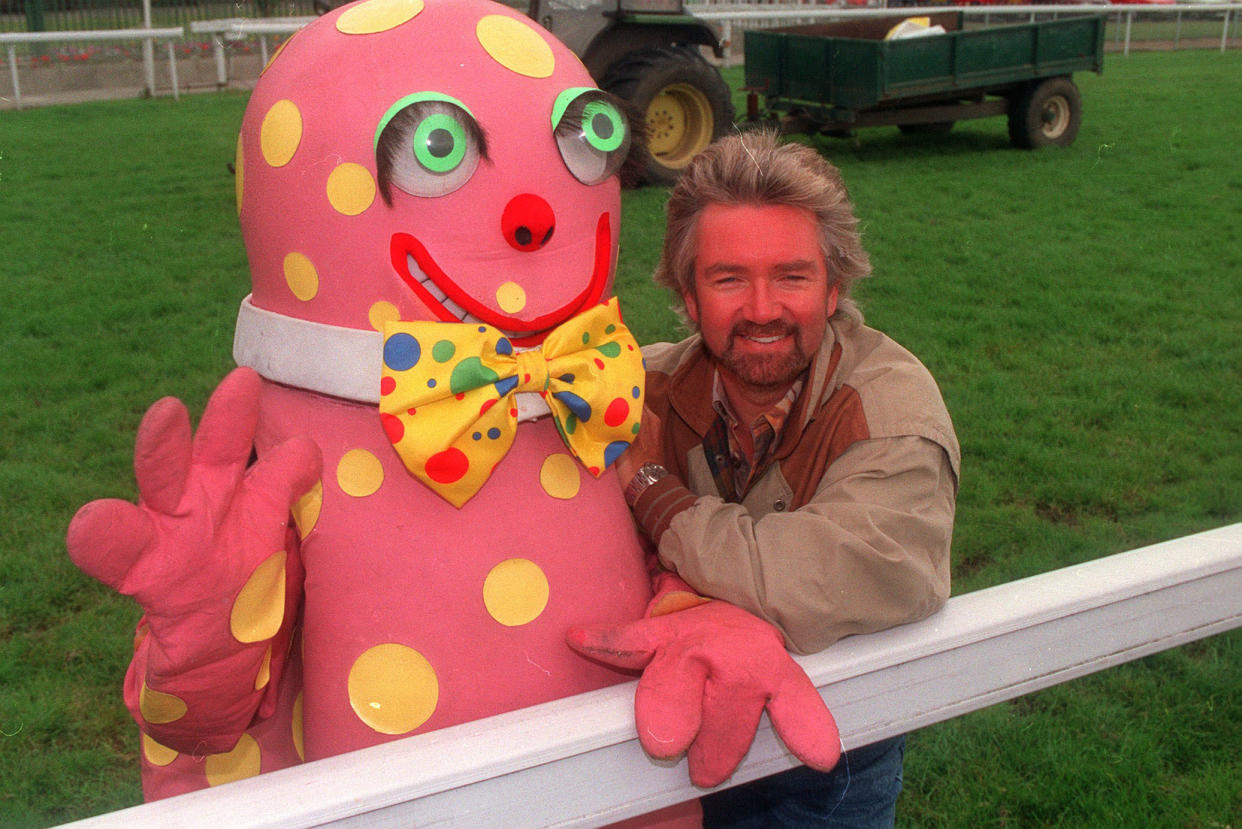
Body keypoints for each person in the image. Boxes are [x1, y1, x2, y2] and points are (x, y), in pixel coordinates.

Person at [614, 131, 960, 827]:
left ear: (835, 288)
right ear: (687, 295)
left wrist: (656, 495)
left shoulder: (890, 409)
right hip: (676, 740)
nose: (764, 308)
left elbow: (815, 578)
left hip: (832, 753)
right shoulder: (642, 386)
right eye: (729, 278)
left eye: (792, 277)